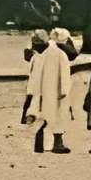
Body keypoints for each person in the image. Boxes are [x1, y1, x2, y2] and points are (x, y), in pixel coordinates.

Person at [27, 26, 77, 154]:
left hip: (57, 93)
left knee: (57, 118)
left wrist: (64, 91)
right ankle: (43, 144)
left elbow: (65, 74)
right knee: (44, 118)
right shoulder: (39, 55)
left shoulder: (59, 54)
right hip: (44, 92)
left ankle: (57, 144)